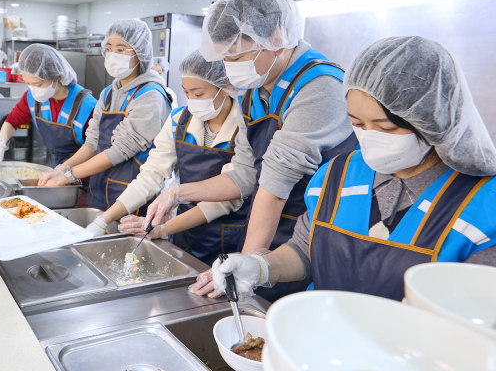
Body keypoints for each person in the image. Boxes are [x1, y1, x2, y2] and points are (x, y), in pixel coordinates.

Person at [202, 36, 496, 302]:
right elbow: (305, 250)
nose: (369, 136)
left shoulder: (481, 206)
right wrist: (261, 267)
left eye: (385, 127)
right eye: (357, 124)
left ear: (432, 120)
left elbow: (474, 318)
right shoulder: (338, 175)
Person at [145, 0, 357, 301]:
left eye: (237, 55)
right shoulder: (254, 93)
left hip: (315, 235)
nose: (229, 66)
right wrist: (176, 193)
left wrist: (242, 271)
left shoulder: (319, 87)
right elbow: (245, 175)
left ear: (275, 39)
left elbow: (273, 185)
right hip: (271, 232)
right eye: (224, 56)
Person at [93, 50, 249, 264]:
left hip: (230, 237)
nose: (191, 100)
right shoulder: (179, 120)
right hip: (185, 234)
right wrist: (105, 219)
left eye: (198, 94)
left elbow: (227, 198)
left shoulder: (245, 126)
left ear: (225, 88)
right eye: (186, 93)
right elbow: (152, 173)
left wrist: (164, 228)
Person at [39, 20, 172, 234]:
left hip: (132, 201)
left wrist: (70, 175)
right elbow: (92, 141)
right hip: (100, 191)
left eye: (121, 49)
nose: (112, 55)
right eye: (108, 49)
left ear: (140, 54)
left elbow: (120, 150)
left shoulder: (150, 96)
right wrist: (62, 169)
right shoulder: (109, 92)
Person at [0, 44, 97, 168]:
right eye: (28, 83)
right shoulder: (32, 98)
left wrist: (64, 171)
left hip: (84, 172)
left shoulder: (87, 106)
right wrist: (0, 144)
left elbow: (93, 147)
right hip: (55, 168)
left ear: (56, 77)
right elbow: (13, 120)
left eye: (38, 85)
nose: (33, 90)